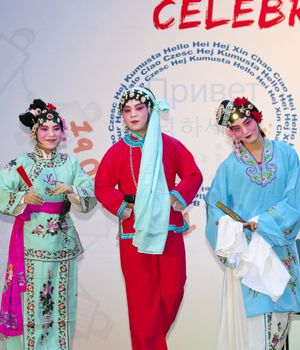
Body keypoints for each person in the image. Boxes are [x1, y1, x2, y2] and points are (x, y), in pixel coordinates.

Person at [94, 87, 203, 350]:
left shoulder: (171, 145)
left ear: (150, 110)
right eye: (127, 110)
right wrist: (122, 206)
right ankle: (150, 344)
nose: (133, 115)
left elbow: (193, 174)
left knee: (174, 289)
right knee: (142, 300)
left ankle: (148, 341)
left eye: (139, 108)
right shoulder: (118, 151)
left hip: (169, 230)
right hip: (134, 234)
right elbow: (102, 186)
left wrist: (177, 195)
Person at [0, 99, 97, 349]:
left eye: (56, 128)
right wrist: (22, 197)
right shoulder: (22, 163)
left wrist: (71, 189)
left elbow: (90, 193)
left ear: (62, 132)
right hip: (31, 245)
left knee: (61, 308)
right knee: (34, 307)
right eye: (44, 129)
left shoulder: (70, 163)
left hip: (62, 243)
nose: (51, 134)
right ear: (34, 132)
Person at [205, 96, 300, 350]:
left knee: (279, 325)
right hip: (247, 255)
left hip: (279, 248)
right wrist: (235, 229)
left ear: (257, 119)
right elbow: (214, 209)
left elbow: (295, 199)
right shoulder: (228, 167)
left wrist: (263, 222)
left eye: (248, 122)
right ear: (231, 133)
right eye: (238, 128)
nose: (246, 131)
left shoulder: (286, 154)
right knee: (252, 327)